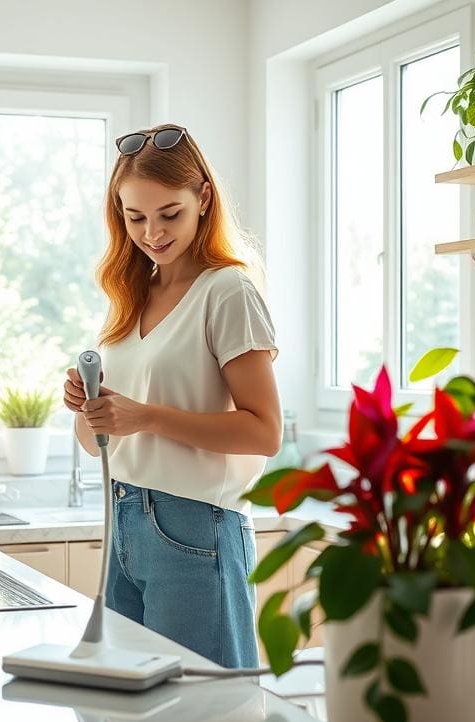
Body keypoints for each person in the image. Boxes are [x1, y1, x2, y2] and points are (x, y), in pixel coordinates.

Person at [62, 124, 282, 668]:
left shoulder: (227, 291)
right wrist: (89, 409)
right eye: (135, 217)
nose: (152, 233)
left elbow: (264, 432)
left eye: (169, 214)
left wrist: (146, 416)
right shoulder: (131, 297)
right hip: (124, 520)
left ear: (203, 198)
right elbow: (98, 445)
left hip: (195, 526)